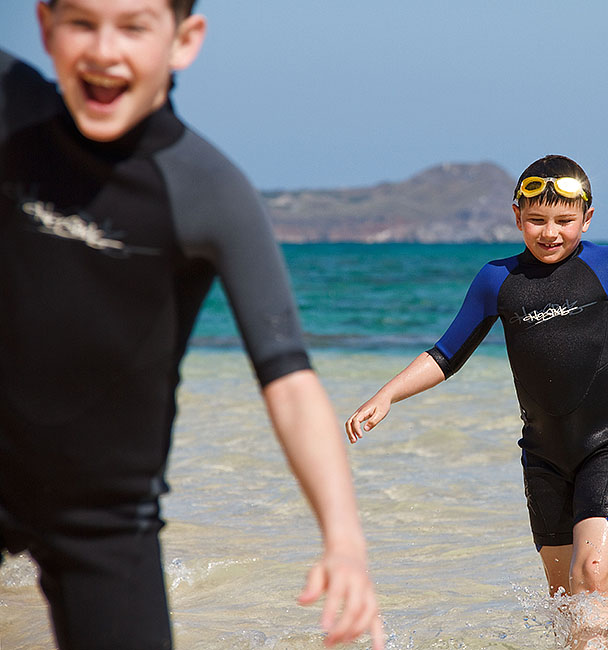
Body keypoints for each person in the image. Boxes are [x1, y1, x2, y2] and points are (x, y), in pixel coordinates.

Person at [0, 1, 383, 649]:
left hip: (105, 520)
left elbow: (289, 378)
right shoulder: (12, 109)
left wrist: (343, 541)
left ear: (184, 40)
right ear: (44, 26)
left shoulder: (210, 190)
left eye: (133, 26)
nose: (104, 50)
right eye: (81, 23)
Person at [346, 154, 608, 648]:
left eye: (564, 221)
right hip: (543, 457)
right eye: (536, 220)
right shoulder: (497, 280)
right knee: (563, 599)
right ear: (516, 217)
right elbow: (447, 354)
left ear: (588, 219)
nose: (550, 232)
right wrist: (387, 395)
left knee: (593, 575)